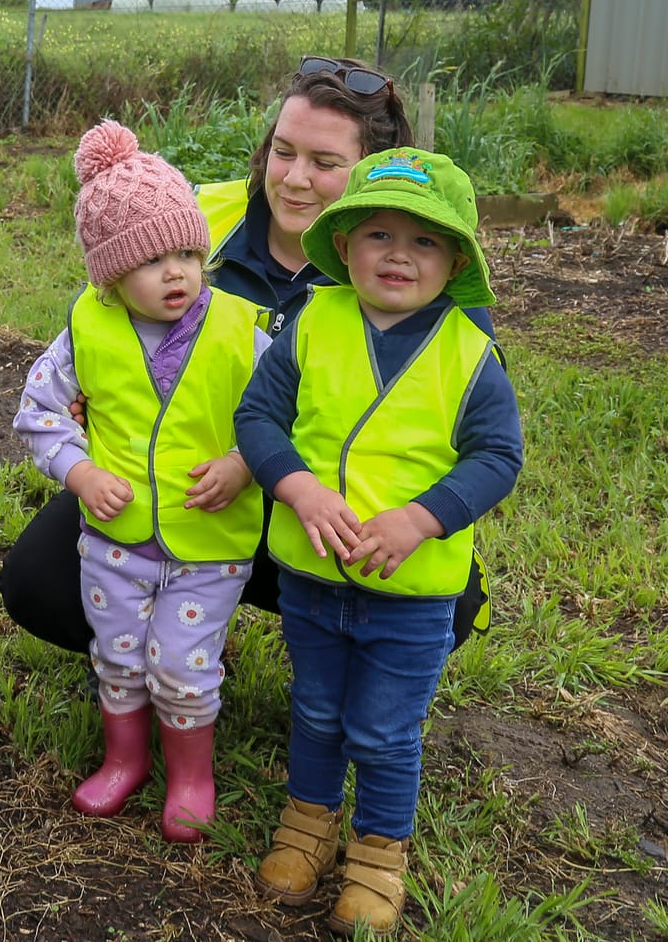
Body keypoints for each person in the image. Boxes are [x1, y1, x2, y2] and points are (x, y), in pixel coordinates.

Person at [0, 58, 496, 653]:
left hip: (328, 504)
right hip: (183, 487)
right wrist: (97, 394)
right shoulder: (195, 215)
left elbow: (466, 415)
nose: (295, 179)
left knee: (443, 606)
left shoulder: (414, 271)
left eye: (325, 163)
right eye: (283, 152)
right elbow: (107, 315)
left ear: (376, 176)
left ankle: (330, 662)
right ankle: (152, 654)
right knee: (38, 580)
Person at [237, 148, 522, 931]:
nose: (399, 254)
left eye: (425, 240)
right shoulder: (312, 322)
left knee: (387, 730)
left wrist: (420, 518)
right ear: (344, 243)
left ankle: (376, 854)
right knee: (316, 708)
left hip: (412, 595)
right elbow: (257, 417)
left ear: (456, 260)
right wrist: (298, 486)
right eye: (379, 235)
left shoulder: (470, 352)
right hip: (312, 576)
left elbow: (499, 455)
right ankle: (308, 821)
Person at [15, 120, 268, 842]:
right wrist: (80, 470)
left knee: (182, 664)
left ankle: (191, 776)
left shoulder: (241, 329)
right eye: (153, 259)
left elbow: (287, 415)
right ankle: (124, 758)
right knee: (119, 655)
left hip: (208, 542)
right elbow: (38, 411)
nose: (177, 273)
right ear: (111, 271)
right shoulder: (86, 329)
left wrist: (244, 463)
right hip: (114, 540)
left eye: (188, 253)